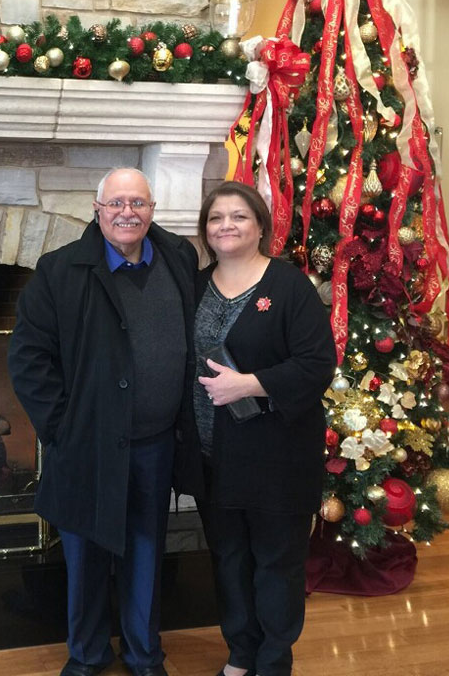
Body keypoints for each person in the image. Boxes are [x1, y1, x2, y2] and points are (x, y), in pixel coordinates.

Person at [9, 167, 203, 676]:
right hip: (87, 445)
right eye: (115, 203)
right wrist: (61, 428)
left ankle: (143, 655)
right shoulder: (59, 271)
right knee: (86, 557)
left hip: (156, 443)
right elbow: (28, 359)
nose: (126, 213)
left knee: (146, 552)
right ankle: (87, 655)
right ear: (97, 211)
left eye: (137, 203)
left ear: (152, 209)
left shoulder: (179, 257)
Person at [193, 182, 336, 676]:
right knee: (229, 559)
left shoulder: (289, 287)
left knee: (276, 562)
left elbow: (317, 363)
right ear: (205, 230)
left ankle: (274, 661)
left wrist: (250, 384)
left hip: (278, 455)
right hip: (213, 456)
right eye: (216, 218)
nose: (226, 226)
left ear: (260, 227)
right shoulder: (195, 285)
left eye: (239, 216)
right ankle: (241, 653)